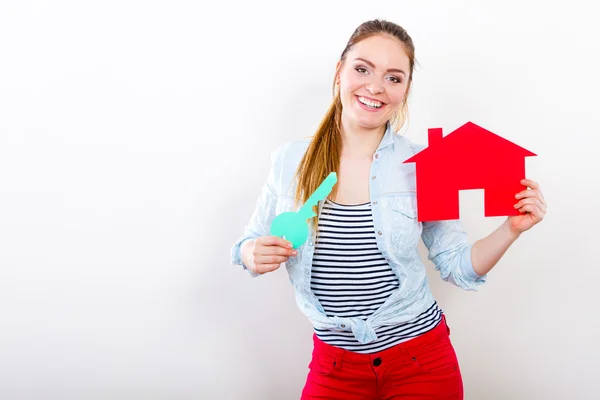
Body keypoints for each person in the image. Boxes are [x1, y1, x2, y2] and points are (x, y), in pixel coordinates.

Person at [230, 19, 546, 399]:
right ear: (339, 71)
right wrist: (252, 253)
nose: (376, 87)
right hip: (335, 367)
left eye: (394, 78)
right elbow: (247, 244)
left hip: (420, 363)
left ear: (406, 89)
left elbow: (458, 266)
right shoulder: (290, 161)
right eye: (362, 69)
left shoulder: (424, 166)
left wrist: (510, 228)